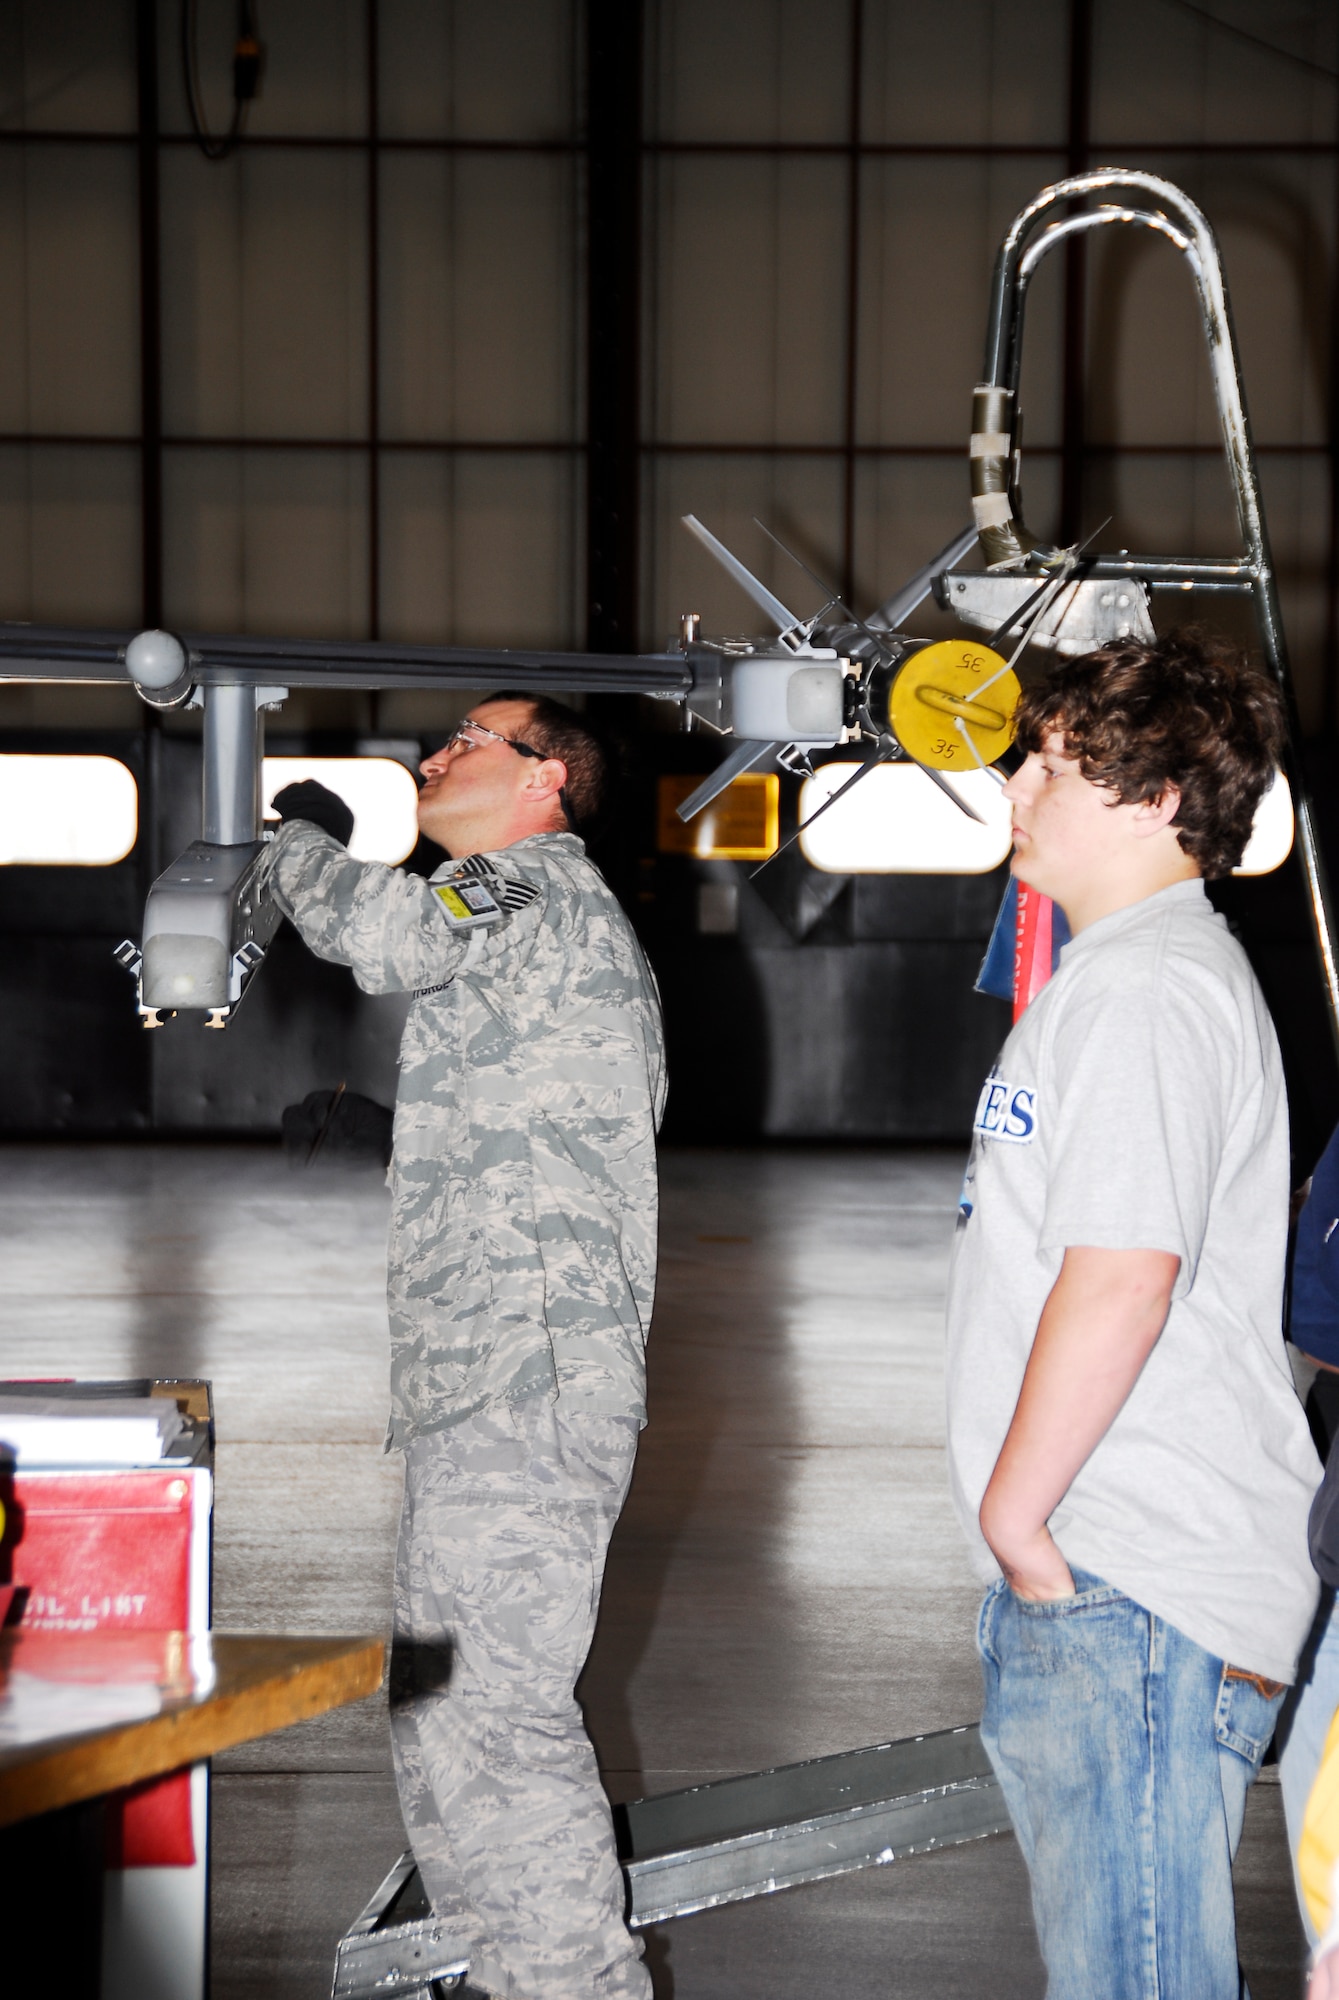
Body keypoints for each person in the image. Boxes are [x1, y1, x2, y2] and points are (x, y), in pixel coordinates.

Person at [265, 694, 665, 2000]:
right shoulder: (529, 920)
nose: (434, 756)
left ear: (546, 779)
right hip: (481, 1376)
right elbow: (548, 1110)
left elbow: (377, 933)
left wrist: (296, 836)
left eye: (469, 740)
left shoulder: (526, 888)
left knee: (492, 1720)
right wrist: (398, 1126)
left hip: (525, 1378)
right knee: (442, 1716)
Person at [944, 633, 1322, 2000]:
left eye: (1057, 766)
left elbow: (1122, 1272)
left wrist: (1018, 1523)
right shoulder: (1126, 976)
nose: (1018, 788)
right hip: (1114, 1573)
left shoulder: (1147, 989)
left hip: (1133, 1578)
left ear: (1162, 800)